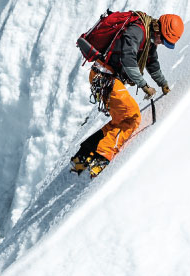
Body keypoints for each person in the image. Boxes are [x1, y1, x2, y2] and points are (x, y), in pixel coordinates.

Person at [72, 12, 184, 177]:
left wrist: (163, 83)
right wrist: (144, 85)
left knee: (121, 120)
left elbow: (152, 62)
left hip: (104, 77)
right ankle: (100, 160)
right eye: (163, 40)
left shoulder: (149, 40)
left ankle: (83, 156)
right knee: (133, 117)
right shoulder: (138, 31)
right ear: (159, 30)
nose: (161, 43)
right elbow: (128, 59)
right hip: (105, 77)